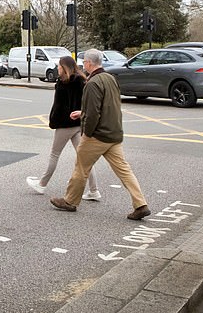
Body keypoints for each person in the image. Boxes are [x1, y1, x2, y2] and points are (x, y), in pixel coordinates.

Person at [50, 49, 151, 220]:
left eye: (85, 62)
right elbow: (107, 106)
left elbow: (93, 113)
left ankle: (70, 201)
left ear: (89, 63)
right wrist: (82, 113)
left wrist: (86, 134)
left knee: (81, 168)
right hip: (114, 133)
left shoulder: (92, 83)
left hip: (98, 135)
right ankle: (140, 204)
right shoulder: (110, 78)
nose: (83, 65)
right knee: (124, 170)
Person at [26, 56, 101, 201]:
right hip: (78, 123)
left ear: (64, 67)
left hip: (64, 124)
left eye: (59, 66)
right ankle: (94, 190)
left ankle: (42, 184)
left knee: (54, 155)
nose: (57, 68)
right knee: (84, 158)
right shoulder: (82, 81)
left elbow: (58, 106)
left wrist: (53, 121)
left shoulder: (62, 83)